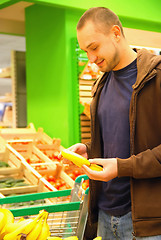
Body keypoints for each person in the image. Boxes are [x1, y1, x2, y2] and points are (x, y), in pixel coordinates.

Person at [64, 7, 161, 240]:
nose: (91, 58)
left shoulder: (156, 77)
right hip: (105, 217)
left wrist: (121, 167)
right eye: (86, 51)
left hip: (146, 223)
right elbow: (120, 136)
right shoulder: (100, 85)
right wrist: (88, 148)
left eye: (94, 47)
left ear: (116, 33)